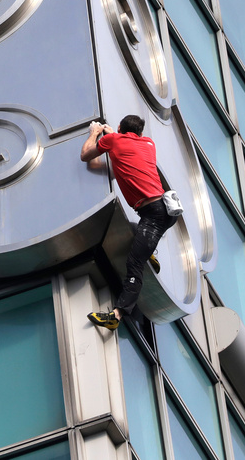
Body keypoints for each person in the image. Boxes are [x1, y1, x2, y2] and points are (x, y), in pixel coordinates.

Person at [81, 115, 176, 330]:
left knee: (134, 264)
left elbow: (86, 156)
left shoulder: (113, 141)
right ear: (140, 133)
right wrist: (115, 133)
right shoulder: (149, 144)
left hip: (154, 214)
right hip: (165, 210)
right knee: (132, 232)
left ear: (121, 129)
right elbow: (127, 149)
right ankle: (149, 251)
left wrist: (95, 133)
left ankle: (117, 315)